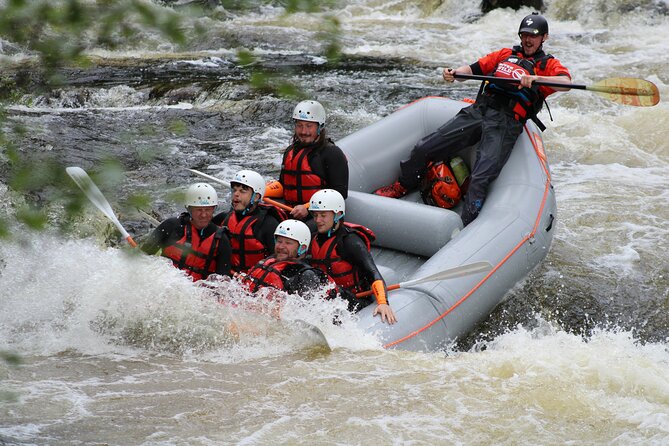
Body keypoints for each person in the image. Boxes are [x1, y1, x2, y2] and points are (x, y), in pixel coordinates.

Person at [374, 13, 571, 225]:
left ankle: (466, 225)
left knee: (480, 178)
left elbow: (566, 82)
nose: (527, 40)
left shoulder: (547, 64)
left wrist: (536, 79)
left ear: (544, 37)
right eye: (524, 35)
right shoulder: (505, 54)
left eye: (533, 36)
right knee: (423, 148)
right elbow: (474, 69)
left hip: (505, 123)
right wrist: (456, 73)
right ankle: (403, 185)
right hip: (479, 111)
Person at [308, 189, 397, 324]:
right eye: (315, 215)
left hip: (355, 301)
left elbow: (373, 272)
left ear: (337, 214)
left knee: (335, 293)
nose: (318, 220)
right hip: (327, 299)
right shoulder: (314, 238)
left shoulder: (350, 241)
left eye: (323, 215)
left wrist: (383, 302)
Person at [141, 182, 231, 281]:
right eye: (199, 210)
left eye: (208, 209)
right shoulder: (171, 226)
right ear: (189, 209)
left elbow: (223, 283)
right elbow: (143, 257)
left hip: (197, 293)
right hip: (166, 285)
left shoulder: (221, 239)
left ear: (214, 209)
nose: (204, 215)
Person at [279, 100, 349, 221]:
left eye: (309, 126)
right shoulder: (290, 151)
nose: (303, 132)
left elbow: (340, 193)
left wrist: (307, 207)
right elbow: (283, 185)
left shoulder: (332, 153)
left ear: (320, 127)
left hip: (318, 217)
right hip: (290, 212)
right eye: (299, 125)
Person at [212, 169, 284, 274]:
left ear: (256, 197)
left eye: (242, 191)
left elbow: (278, 259)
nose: (236, 194)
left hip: (254, 280)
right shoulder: (223, 218)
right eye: (234, 190)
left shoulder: (268, 224)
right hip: (227, 278)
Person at [243, 219, 332, 296]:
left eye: (288, 243)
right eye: (279, 241)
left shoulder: (306, 276)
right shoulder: (266, 263)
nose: (281, 246)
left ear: (302, 248)